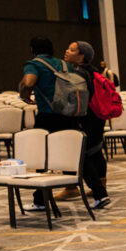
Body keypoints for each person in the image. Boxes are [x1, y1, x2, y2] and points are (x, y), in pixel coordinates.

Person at [18, 37, 87, 211]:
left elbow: (29, 81)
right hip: (68, 114)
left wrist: (24, 92)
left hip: (47, 116)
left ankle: (41, 200)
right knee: (68, 152)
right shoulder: (64, 64)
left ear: (33, 49)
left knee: (42, 157)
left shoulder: (34, 63)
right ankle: (73, 187)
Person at [68, 42, 111, 209]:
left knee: (84, 154)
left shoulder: (80, 73)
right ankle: (100, 187)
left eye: (72, 50)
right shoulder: (94, 71)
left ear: (81, 56)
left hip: (86, 117)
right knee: (95, 151)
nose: (66, 51)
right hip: (97, 116)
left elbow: (80, 98)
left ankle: (91, 189)